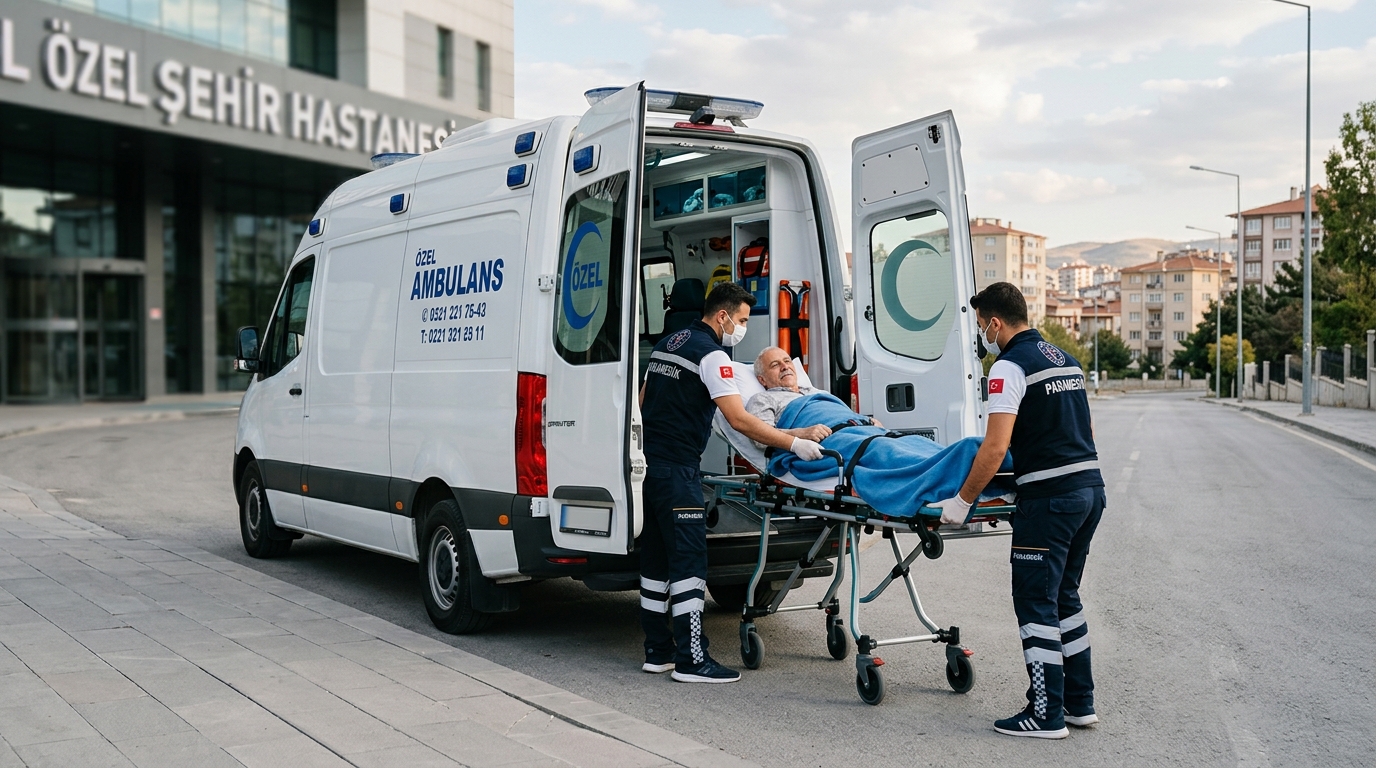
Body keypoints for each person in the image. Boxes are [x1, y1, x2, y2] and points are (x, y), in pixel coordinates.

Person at [931, 282, 1106, 739]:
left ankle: (1044, 714)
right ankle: (1078, 703)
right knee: (1064, 597)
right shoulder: (1064, 359)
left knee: (1034, 604)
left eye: (979, 326)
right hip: (1089, 491)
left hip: (1050, 502)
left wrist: (963, 500)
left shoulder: (1008, 367)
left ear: (994, 323)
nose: (981, 336)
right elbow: (1078, 429)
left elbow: (994, 446)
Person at [638, 283, 825, 683]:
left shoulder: (668, 343)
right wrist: (795, 440)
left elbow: (641, 402)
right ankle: (692, 661)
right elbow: (739, 420)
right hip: (680, 472)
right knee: (688, 565)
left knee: (655, 562)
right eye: (740, 320)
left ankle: (658, 651)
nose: (741, 328)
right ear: (722, 316)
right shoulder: (712, 355)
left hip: (650, 469)